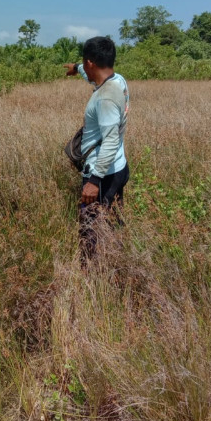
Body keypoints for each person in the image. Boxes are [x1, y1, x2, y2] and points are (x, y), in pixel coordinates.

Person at [65, 36, 129, 263]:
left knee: (90, 227)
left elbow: (110, 141)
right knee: (112, 220)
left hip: (103, 173)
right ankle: (118, 257)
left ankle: (91, 270)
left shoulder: (105, 99)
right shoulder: (118, 81)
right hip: (119, 166)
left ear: (91, 62)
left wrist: (93, 181)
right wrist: (77, 68)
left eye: (85, 64)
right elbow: (91, 74)